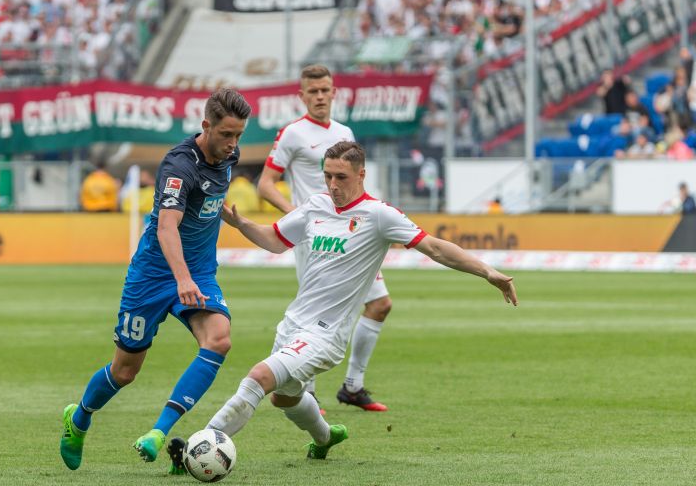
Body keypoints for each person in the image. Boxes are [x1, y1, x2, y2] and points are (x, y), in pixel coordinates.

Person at [172, 141, 517, 464]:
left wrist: (488, 271)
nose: (332, 184)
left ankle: (199, 445)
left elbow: (436, 247)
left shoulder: (379, 215)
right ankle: (325, 439)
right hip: (293, 323)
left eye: (341, 177)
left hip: (327, 334)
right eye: (327, 176)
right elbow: (276, 241)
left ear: (361, 175)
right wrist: (242, 223)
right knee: (284, 398)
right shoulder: (315, 207)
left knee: (259, 376)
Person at [60, 88, 252, 472]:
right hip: (153, 275)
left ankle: (159, 432)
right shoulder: (179, 166)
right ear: (205, 126)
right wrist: (180, 278)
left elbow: (206, 206)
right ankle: (79, 417)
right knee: (125, 370)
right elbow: (166, 228)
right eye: (226, 134)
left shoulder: (230, 157)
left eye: (239, 135)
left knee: (219, 339)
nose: (233, 144)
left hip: (198, 272)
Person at [257, 63, 391, 412]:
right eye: (312, 91)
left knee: (380, 304)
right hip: (315, 239)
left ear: (334, 92)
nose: (319, 97)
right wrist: (298, 217)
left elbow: (356, 182)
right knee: (312, 313)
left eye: (325, 90)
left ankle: (353, 386)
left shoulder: (344, 131)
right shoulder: (292, 133)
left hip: (352, 234)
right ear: (301, 96)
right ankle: (309, 394)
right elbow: (265, 184)